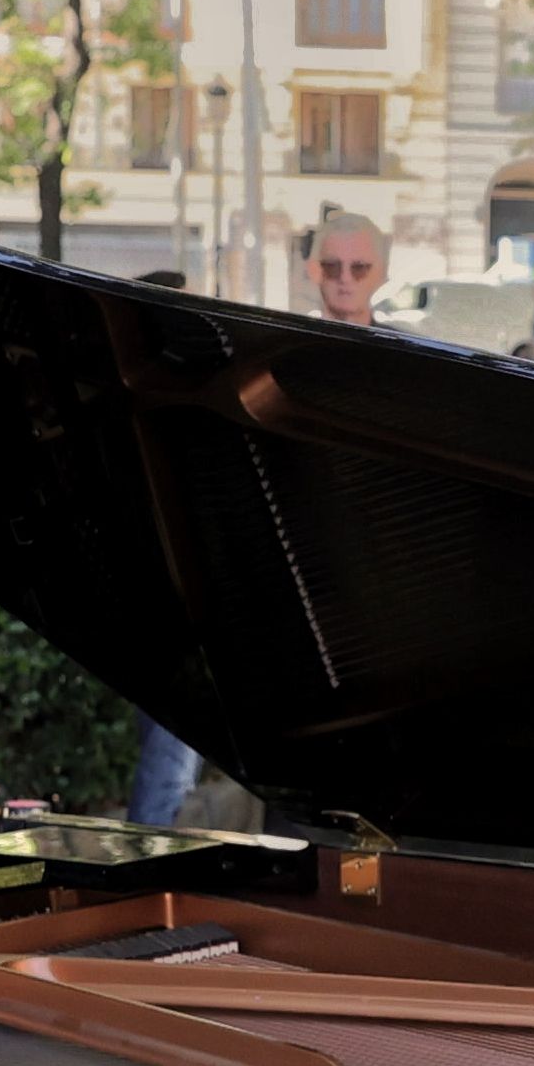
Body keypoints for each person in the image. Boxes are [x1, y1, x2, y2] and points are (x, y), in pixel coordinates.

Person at [133, 211, 388, 824]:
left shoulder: (395, 362)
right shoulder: (270, 359)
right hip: (270, 591)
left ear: (381, 273)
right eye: (332, 266)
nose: (345, 280)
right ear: (311, 270)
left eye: (358, 267)